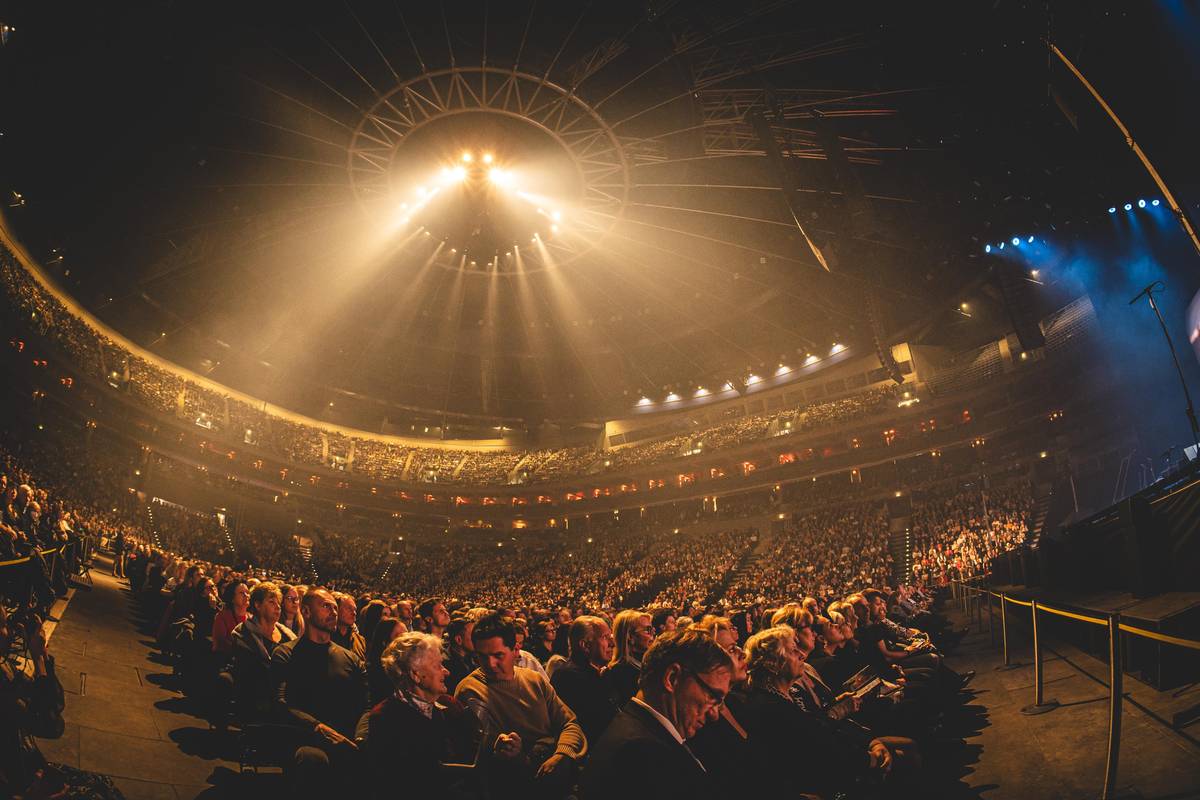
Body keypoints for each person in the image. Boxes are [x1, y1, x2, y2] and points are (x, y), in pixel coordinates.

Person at [581, 628, 732, 800]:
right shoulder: (643, 756)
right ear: (672, 678)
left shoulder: (638, 728)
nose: (715, 714)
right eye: (713, 696)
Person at [454, 611, 585, 800]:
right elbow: (477, 756)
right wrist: (505, 753)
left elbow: (569, 723)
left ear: (515, 650)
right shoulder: (470, 690)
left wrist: (562, 754)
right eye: (482, 657)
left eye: (498, 655)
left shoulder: (534, 680)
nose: (490, 664)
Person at [271, 588, 368, 798]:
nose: (333, 612)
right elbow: (280, 702)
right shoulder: (286, 653)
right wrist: (319, 728)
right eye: (326, 606)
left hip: (346, 739)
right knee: (312, 759)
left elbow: (365, 705)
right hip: (306, 737)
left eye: (335, 607)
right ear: (305, 611)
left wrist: (361, 738)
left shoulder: (350, 659)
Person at [366, 632, 480, 799]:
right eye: (438, 666)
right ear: (416, 675)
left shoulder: (450, 705)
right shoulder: (385, 720)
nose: (446, 671)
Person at [0, 604, 65, 797]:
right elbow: (49, 724)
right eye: (3, 625)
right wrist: (38, 661)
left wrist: (42, 656)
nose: (10, 631)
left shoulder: (5, 670)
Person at [230, 581, 296, 722]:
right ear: (258, 605)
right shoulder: (242, 634)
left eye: (278, 603)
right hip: (259, 694)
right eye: (272, 602)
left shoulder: (288, 635)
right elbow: (253, 673)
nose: (278, 607)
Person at [550, 616, 618, 742]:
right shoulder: (568, 678)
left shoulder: (600, 672)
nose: (612, 643)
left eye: (611, 636)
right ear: (585, 645)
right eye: (605, 637)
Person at [604, 609, 653, 706]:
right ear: (630, 636)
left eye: (652, 629)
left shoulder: (648, 663)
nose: (653, 634)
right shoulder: (620, 673)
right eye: (647, 630)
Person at [365, 617, 408, 704]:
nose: (406, 640)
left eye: (407, 635)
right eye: (400, 636)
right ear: (385, 642)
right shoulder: (377, 671)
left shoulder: (409, 665)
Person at [212, 581, 249, 655]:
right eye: (241, 593)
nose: (246, 595)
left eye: (247, 592)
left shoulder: (251, 617)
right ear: (232, 598)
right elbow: (220, 645)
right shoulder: (222, 617)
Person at [444, 614, 477, 694]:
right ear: (459, 640)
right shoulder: (447, 665)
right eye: (473, 635)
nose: (477, 638)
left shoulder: (476, 656)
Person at [331, 591, 366, 661]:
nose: (354, 613)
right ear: (336, 609)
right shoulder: (325, 637)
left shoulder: (360, 640)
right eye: (349, 608)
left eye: (355, 610)